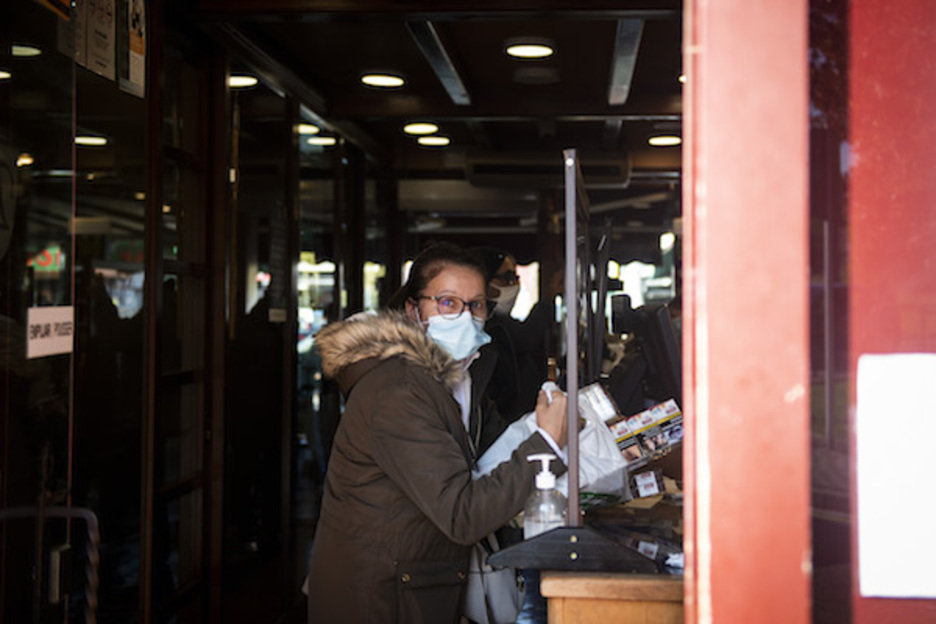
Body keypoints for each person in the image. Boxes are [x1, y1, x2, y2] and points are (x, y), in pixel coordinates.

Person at [306, 242, 568, 624]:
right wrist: (545, 445)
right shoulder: (398, 391)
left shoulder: (459, 378)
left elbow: (495, 449)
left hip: (415, 582)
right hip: (379, 597)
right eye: (447, 302)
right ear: (414, 311)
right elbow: (462, 515)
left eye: (475, 305)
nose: (464, 316)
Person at [472, 247, 560, 422]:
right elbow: (527, 338)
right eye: (507, 278)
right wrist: (548, 297)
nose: (514, 285)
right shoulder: (489, 328)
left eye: (516, 278)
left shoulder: (504, 323)